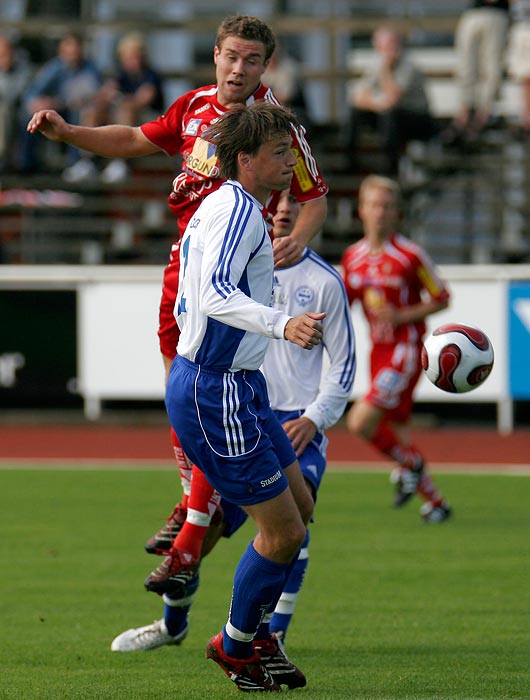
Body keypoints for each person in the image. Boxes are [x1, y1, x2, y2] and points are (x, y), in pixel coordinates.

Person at [110, 188, 356, 653]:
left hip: (296, 424)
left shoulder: (324, 281)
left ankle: (271, 633)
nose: (284, 208)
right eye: (278, 199)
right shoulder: (237, 258)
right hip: (234, 411)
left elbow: (343, 367)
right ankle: (172, 625)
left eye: (296, 202)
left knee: (296, 517)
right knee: (205, 537)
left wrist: (315, 418)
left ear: (309, 213)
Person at [165, 101, 324, 692]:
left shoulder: (234, 207)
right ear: (245, 160)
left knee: (300, 509)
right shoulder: (235, 212)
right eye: (279, 153)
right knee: (283, 532)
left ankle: (248, 634)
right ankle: (236, 646)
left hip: (240, 385)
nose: (290, 164)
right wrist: (283, 323)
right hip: (215, 388)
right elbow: (213, 294)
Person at [341, 175, 452, 524]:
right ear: (362, 210)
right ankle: (436, 503)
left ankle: (410, 466)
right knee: (399, 433)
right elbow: (344, 302)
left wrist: (403, 314)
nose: (380, 213)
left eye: (387, 206)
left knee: (360, 420)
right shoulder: (353, 257)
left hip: (405, 350)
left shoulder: (409, 255)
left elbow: (442, 297)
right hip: (379, 351)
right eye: (374, 205)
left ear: (397, 213)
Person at [68, 31, 166, 184]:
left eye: (136, 55)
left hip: (150, 120)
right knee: (94, 111)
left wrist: (119, 99)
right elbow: (106, 93)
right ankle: (87, 161)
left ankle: (120, 162)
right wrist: (106, 98)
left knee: (126, 109)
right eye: (129, 56)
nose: (133, 60)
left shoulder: (150, 75)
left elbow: (143, 100)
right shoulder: (121, 74)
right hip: (122, 116)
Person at [345, 25, 438, 175]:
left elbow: (393, 97)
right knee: (356, 113)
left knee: (390, 115)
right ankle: (350, 162)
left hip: (418, 120)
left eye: (389, 44)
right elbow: (357, 98)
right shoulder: (375, 65)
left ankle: (390, 167)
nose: (385, 50)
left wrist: (385, 70)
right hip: (388, 114)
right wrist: (378, 104)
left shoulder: (408, 67)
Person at [20, 32, 102, 175]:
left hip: (77, 111)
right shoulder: (55, 68)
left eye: (76, 48)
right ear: (62, 50)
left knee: (81, 111)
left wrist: (63, 102)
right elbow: (31, 95)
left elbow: (94, 94)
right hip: (57, 111)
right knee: (30, 117)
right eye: (70, 48)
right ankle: (26, 168)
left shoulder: (90, 68)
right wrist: (40, 103)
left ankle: (77, 163)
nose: (73, 52)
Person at [446, 1, 510, 143]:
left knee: (492, 66)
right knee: (466, 67)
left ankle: (483, 116)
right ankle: (464, 114)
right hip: (474, 12)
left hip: (496, 14)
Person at [0, 34, 33, 173]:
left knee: (5, 111)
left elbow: (15, 97)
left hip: (18, 112)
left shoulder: (23, 70)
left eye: (6, 53)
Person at [506, 0, 530, 136]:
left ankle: (526, 119)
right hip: (520, 27)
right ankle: (526, 118)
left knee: (525, 76)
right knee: (524, 77)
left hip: (524, 28)